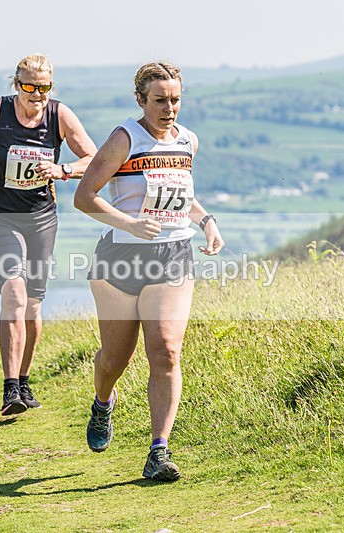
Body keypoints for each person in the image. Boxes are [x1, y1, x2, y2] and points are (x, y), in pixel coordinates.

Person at [74, 62, 224, 481]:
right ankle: (103, 402)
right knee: (115, 358)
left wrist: (206, 220)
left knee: (166, 350)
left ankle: (159, 450)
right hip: (120, 257)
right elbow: (85, 197)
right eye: (159, 100)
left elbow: (181, 195)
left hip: (173, 255)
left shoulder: (188, 141)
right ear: (140, 100)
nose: (169, 108)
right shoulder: (125, 139)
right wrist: (129, 224)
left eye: (175, 99)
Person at [0, 54, 97, 415]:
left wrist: (62, 169)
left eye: (44, 87)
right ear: (16, 85)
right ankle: (10, 387)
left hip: (41, 218)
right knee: (14, 291)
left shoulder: (60, 115)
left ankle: (25, 381)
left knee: (32, 306)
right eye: (29, 86)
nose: (37, 94)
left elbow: (93, 157)